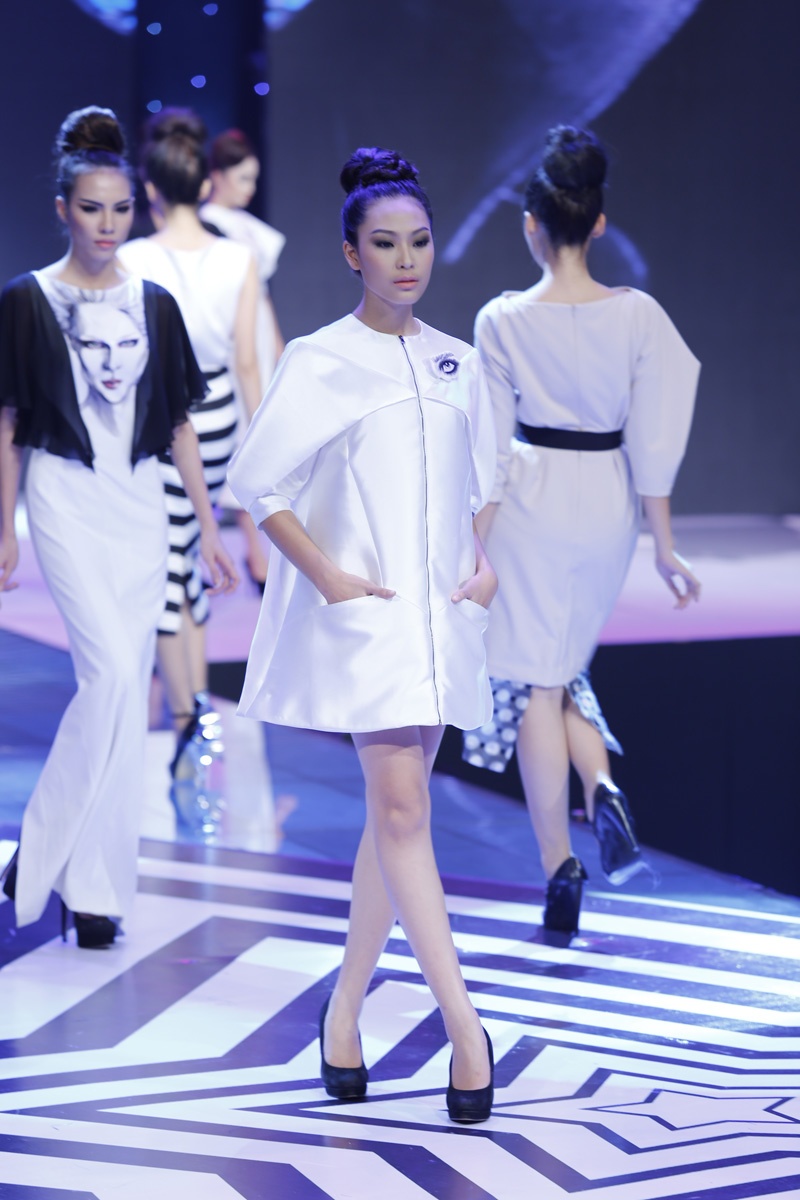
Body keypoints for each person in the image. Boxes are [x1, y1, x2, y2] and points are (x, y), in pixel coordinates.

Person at [227, 148, 497, 1122]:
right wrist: (327, 576)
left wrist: (485, 559)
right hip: (367, 621)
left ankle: (342, 1013)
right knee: (402, 812)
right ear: (351, 253)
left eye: (417, 241)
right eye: (385, 244)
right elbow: (257, 482)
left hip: (441, 618)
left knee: (396, 823)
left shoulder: (459, 359)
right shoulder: (320, 358)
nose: (405, 259)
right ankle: (467, 1031)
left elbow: (487, 480)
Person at [0, 106, 236, 946]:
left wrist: (211, 528)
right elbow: (8, 421)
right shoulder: (26, 301)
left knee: (126, 693)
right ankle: (37, 860)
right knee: (106, 679)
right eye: (92, 209)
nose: (107, 225)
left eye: (121, 209)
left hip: (142, 509)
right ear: (63, 209)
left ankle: (96, 890)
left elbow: (177, 424)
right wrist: (3, 528)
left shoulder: (155, 304)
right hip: (63, 502)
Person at [472, 126, 700, 935]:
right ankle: (601, 787)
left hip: (530, 502)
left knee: (540, 682)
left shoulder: (502, 319)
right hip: (607, 503)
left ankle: (558, 865)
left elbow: (488, 449)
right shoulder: (638, 315)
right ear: (598, 223)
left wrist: (469, 547)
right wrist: (663, 544)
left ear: (531, 224)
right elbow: (658, 433)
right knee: (561, 669)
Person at [118, 110, 261, 782]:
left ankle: (189, 720)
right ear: (204, 185)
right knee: (188, 563)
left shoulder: (132, 260)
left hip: (162, 427)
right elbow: (248, 363)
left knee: (171, 568)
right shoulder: (239, 257)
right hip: (222, 420)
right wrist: (261, 449)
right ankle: (193, 715)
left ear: (149, 189)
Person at [200, 128, 286, 590]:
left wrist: (278, 345)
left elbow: (263, 296)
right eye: (242, 178)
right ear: (217, 175)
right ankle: (256, 554)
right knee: (241, 442)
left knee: (259, 441)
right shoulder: (207, 225)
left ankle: (260, 554)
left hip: (258, 341)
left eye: (254, 179)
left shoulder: (246, 228)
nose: (249, 188)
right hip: (232, 345)